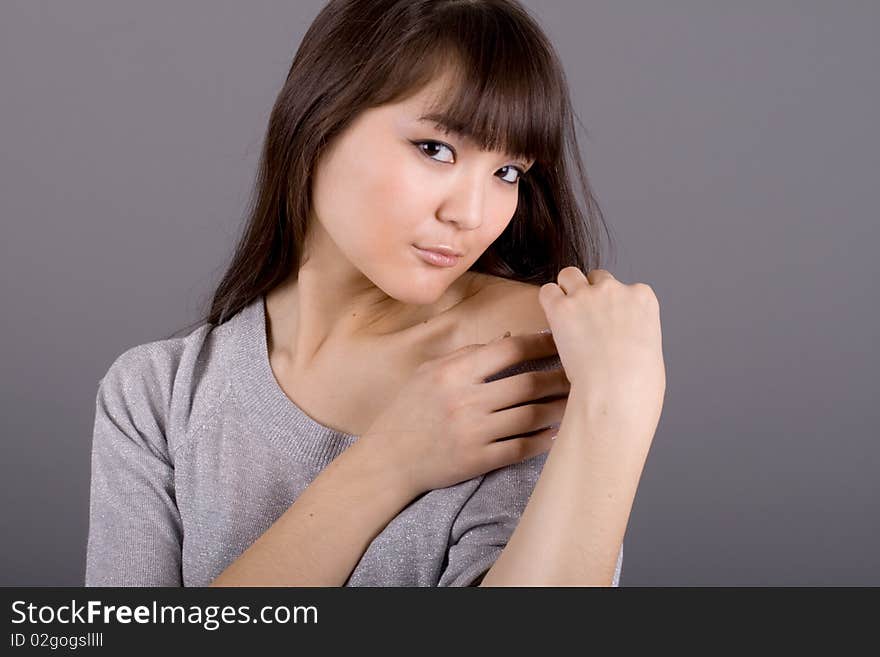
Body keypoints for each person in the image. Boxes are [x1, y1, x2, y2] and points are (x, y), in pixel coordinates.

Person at [85, 0, 665, 587]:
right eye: (436, 149)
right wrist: (388, 463)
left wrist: (620, 408)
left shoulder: (529, 363)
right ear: (319, 121)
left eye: (507, 172)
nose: (471, 214)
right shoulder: (158, 396)